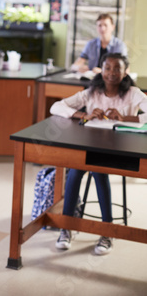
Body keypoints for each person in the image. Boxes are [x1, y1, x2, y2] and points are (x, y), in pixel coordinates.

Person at [50, 53, 147, 255]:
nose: (112, 73)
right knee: (77, 169)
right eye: (107, 68)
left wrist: (126, 117)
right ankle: (68, 228)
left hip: (122, 151)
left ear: (125, 71)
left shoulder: (133, 93)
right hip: (93, 148)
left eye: (117, 68)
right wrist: (83, 115)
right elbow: (56, 106)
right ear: (101, 70)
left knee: (96, 169)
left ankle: (106, 232)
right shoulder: (91, 92)